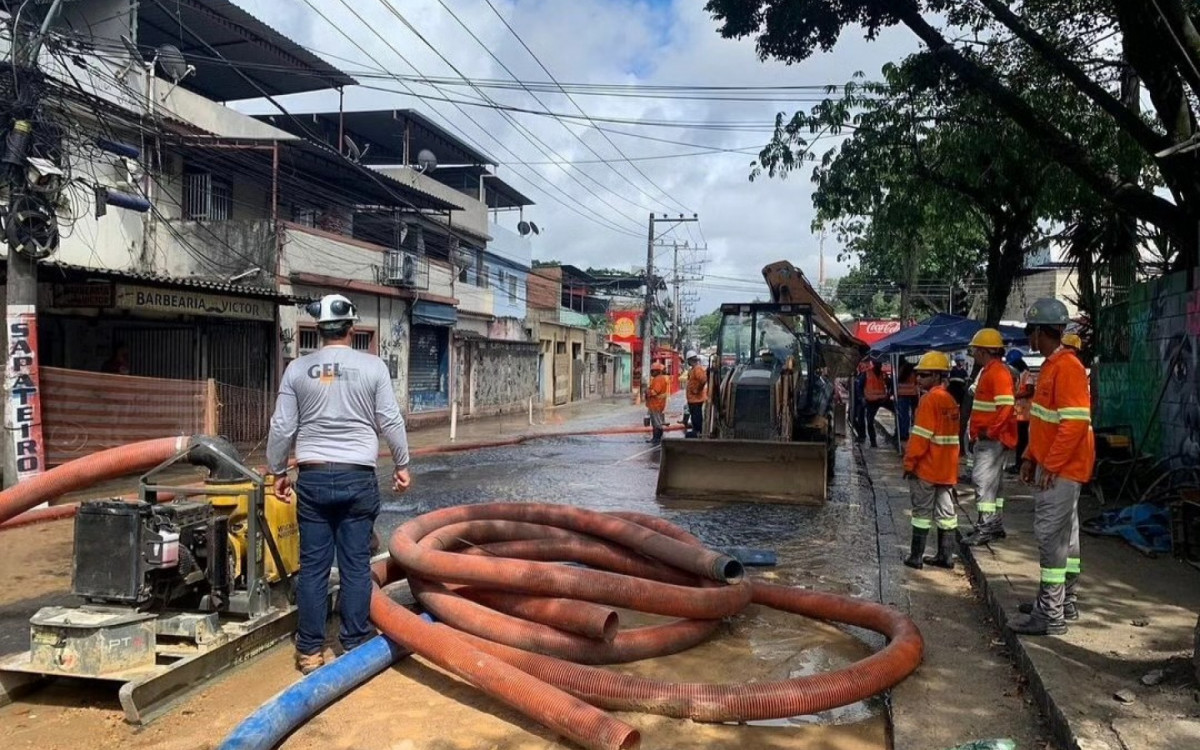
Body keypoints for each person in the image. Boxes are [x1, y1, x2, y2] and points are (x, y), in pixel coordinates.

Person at [266, 294, 413, 674]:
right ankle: (353, 641)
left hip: (312, 477)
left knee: (313, 567)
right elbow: (390, 420)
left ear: (318, 330)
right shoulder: (373, 366)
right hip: (357, 476)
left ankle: (310, 651)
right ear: (352, 328)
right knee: (355, 564)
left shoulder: (297, 370)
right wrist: (402, 463)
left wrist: (277, 471)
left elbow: (282, 426)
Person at [1011, 298, 1094, 636]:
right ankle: (1063, 602)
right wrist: (1031, 455)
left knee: (1050, 538)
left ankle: (1050, 614)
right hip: (1057, 466)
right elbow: (1044, 422)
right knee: (1065, 538)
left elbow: (1074, 424)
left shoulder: (1067, 368)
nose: (1030, 338)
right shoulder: (1051, 366)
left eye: (1031, 332)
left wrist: (1051, 465)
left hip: (1062, 470)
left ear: (1039, 333)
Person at [902, 351, 961, 571]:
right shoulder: (950, 401)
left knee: (921, 514)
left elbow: (920, 437)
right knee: (947, 515)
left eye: (924, 375)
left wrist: (909, 464)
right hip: (946, 470)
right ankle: (946, 557)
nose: (918, 379)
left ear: (937, 376)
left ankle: (916, 557)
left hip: (926, 469)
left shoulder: (929, 400)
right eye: (918, 375)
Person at [963, 329, 1018, 546]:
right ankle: (993, 524)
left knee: (982, 482)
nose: (973, 353)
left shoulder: (997, 373)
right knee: (994, 485)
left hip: (992, 439)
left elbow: (1006, 407)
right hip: (990, 438)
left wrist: (991, 431)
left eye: (975, 349)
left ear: (984, 350)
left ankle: (986, 526)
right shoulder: (990, 371)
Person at [1008, 350, 1035, 474]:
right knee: (1019, 440)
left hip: (1026, 414)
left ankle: (1020, 464)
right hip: (1020, 413)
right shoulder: (1019, 375)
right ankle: (1017, 463)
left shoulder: (1027, 375)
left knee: (1023, 441)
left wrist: (1015, 395)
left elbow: (1030, 391)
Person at [863, 359, 892, 448]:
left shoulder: (883, 374)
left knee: (898, 411)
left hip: (882, 399)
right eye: (877, 363)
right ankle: (873, 441)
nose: (879, 365)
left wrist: (888, 395)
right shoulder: (866, 373)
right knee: (870, 421)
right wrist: (862, 398)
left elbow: (890, 384)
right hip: (871, 400)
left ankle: (897, 434)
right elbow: (859, 386)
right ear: (874, 364)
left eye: (880, 363)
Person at [894, 360, 919, 445]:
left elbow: (897, 381)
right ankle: (906, 433)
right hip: (913, 394)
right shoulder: (912, 371)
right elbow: (916, 382)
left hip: (902, 394)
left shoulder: (901, 370)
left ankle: (903, 433)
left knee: (903, 415)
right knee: (912, 415)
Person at [645, 361, 670, 445]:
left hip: (656, 404)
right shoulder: (660, 378)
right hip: (657, 404)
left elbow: (654, 392)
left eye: (653, 371)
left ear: (657, 371)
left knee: (656, 422)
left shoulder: (658, 379)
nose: (651, 372)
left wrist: (647, 392)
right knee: (656, 422)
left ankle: (657, 438)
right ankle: (656, 438)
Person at [684, 351, 707, 438]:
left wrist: (698, 389)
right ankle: (697, 432)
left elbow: (703, 380)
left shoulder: (697, 369)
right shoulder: (693, 369)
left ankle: (698, 433)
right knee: (694, 417)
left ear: (690, 360)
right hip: (693, 399)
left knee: (697, 417)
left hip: (696, 399)